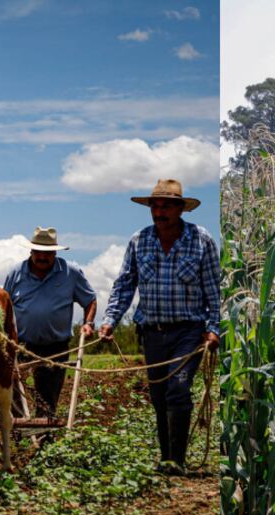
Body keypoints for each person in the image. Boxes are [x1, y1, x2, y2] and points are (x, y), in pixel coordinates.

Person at [99, 179, 221, 474]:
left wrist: (214, 327)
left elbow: (214, 288)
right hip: (153, 332)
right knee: (159, 396)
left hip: (188, 330)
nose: (160, 212)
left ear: (181, 209)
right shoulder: (139, 241)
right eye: (155, 206)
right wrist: (109, 321)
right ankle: (166, 457)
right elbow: (125, 285)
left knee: (178, 390)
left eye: (166, 206)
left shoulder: (200, 240)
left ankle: (176, 460)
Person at [2, 227, 97, 421]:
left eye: (47, 253)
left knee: (47, 399)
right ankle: (20, 435)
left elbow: (90, 300)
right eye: (38, 252)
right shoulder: (16, 274)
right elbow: (4, 307)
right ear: (31, 251)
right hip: (21, 346)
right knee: (11, 391)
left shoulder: (70, 273)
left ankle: (45, 439)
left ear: (55, 252)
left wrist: (88, 323)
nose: (42, 257)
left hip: (55, 348)